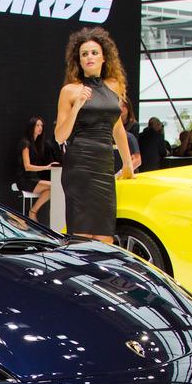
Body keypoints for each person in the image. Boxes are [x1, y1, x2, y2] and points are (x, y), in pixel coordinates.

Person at [53, 27, 134, 244]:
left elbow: (118, 128)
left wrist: (128, 164)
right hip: (79, 166)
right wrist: (77, 106)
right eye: (84, 54)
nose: (89, 57)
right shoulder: (70, 91)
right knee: (82, 237)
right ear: (78, 61)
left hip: (104, 168)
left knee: (105, 237)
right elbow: (60, 136)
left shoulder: (114, 86)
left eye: (94, 53)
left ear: (104, 57)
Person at [18, 117, 57, 222]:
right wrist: (47, 167)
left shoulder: (37, 144)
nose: (40, 128)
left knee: (53, 188)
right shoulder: (25, 143)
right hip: (25, 179)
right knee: (55, 186)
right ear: (31, 127)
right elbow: (27, 166)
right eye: (37, 125)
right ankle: (32, 212)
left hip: (33, 178)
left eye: (41, 126)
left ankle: (33, 211)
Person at [114, 101, 141, 174]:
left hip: (128, 160)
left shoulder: (131, 134)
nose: (121, 109)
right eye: (119, 106)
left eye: (124, 106)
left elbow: (137, 158)